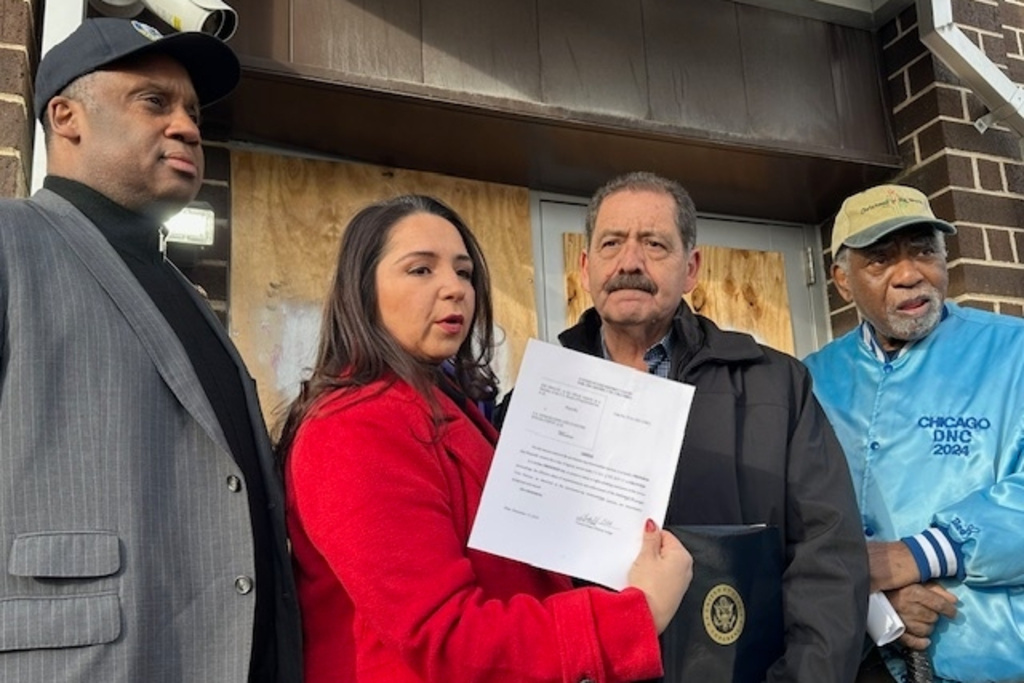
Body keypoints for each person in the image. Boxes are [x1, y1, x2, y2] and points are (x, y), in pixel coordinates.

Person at [276, 194, 692, 683]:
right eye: (420, 270)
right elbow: (448, 636)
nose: (454, 289)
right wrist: (632, 617)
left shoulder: (440, 402)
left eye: (464, 272)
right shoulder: (353, 429)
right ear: (362, 290)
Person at [0, 19, 300, 682]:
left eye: (192, 110)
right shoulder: (10, 241)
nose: (188, 127)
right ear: (67, 116)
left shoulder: (186, 296)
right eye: (154, 102)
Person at [553, 171, 870, 682]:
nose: (630, 262)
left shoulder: (777, 386)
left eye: (654, 244)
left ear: (692, 268)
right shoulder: (539, 402)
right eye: (611, 243)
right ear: (587, 266)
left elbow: (828, 562)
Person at [804, 184, 1024, 683]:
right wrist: (874, 600)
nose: (909, 274)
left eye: (924, 251)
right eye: (880, 260)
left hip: (994, 658)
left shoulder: (1013, 351)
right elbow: (793, 520)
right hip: (858, 658)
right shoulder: (811, 379)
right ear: (842, 280)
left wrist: (915, 556)